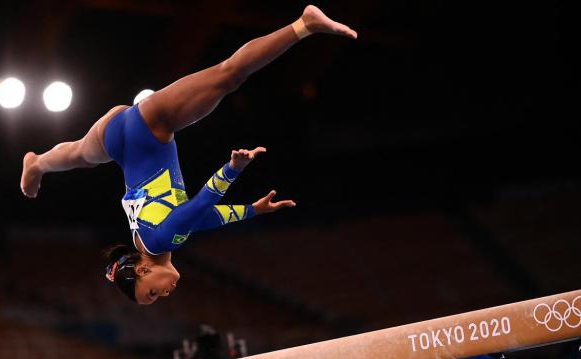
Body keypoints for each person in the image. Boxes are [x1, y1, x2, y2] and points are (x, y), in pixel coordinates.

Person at [20, 5, 357, 304]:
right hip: (116, 142)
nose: (163, 293)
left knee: (228, 75)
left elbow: (200, 204)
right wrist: (252, 210)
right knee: (80, 153)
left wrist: (232, 169)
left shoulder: (161, 239)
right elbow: (202, 219)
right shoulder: (151, 239)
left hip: (147, 128)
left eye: (151, 291)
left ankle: (304, 24)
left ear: (142, 268)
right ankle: (37, 163)